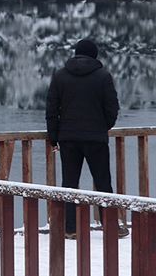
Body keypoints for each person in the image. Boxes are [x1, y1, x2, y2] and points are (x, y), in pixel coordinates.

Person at [46, 39, 127, 239]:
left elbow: (51, 109)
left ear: (76, 53)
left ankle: (70, 228)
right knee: (103, 182)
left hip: (68, 138)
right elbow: (112, 108)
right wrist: (102, 127)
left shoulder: (60, 76)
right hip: (96, 138)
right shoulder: (103, 76)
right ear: (95, 55)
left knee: (70, 183)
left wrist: (54, 137)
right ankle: (110, 226)